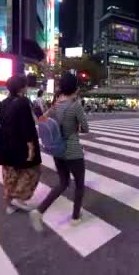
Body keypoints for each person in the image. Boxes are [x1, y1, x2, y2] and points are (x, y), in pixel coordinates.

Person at [30, 73, 89, 231]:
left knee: (63, 183)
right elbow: (86, 128)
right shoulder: (76, 105)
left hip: (57, 150)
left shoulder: (55, 105)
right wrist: (74, 125)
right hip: (72, 149)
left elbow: (41, 121)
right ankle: (75, 217)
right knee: (79, 185)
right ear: (75, 88)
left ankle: (39, 211)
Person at [0, 75, 42, 215]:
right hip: (20, 144)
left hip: (6, 144)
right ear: (22, 87)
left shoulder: (4, 102)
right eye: (25, 85)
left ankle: (9, 205)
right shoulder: (23, 102)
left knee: (10, 175)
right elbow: (26, 126)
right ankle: (19, 198)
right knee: (32, 171)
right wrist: (31, 147)